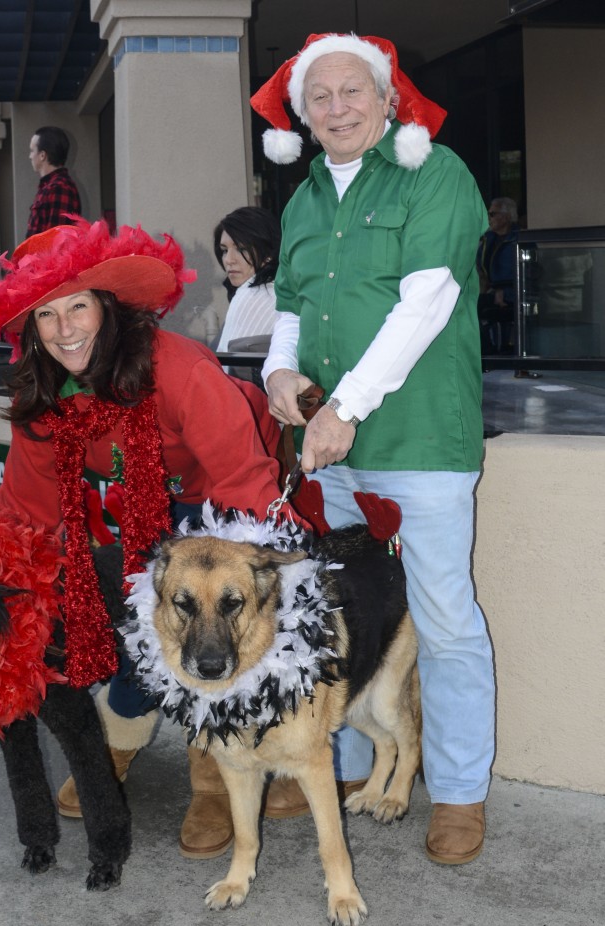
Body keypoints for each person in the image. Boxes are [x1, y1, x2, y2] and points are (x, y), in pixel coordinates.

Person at [0, 216, 304, 860]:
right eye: (47, 316)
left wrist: (278, 576)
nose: (66, 330)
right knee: (138, 613)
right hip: (147, 500)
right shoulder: (46, 390)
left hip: (224, 486)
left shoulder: (180, 367)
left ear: (106, 306)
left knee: (202, 622)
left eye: (77, 307)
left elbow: (244, 483)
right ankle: (120, 737)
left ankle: (217, 776)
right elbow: (23, 514)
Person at [251, 32, 495, 865]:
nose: (337, 108)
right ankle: (344, 768)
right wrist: (279, 373)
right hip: (331, 449)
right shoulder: (305, 197)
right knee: (337, 615)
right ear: (301, 116)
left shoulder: (438, 174)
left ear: (388, 99)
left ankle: (459, 794)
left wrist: (344, 407)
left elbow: (425, 305)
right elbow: (287, 305)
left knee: (444, 621)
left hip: (419, 440)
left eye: (353, 92)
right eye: (319, 98)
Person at [213, 206, 281, 356]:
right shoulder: (282, 290)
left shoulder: (254, 293)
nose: (229, 260)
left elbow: (226, 367)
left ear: (268, 253)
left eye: (241, 249)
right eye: (224, 250)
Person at [477, 197, 518, 353]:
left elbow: (528, 273)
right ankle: (485, 353)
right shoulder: (488, 239)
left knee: (476, 307)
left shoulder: (519, 239)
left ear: (506, 217)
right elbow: (480, 270)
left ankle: (489, 354)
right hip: (491, 292)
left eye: (492, 213)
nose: (489, 217)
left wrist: (504, 292)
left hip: (513, 293)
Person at [26, 126, 81, 238]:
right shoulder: (50, 186)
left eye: (32, 151)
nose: (30, 156)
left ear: (42, 155)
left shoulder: (60, 187)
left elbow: (55, 243)